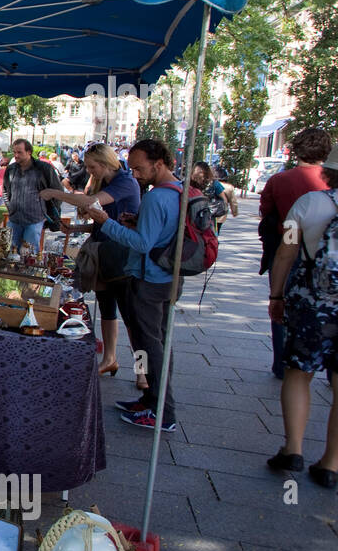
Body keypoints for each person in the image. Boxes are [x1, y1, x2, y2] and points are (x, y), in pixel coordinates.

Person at [85, 139, 184, 432]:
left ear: (160, 163)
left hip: (150, 279)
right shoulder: (176, 192)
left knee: (150, 345)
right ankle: (150, 398)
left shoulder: (156, 197)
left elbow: (142, 244)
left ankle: (162, 410)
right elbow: (156, 235)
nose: (136, 175)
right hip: (165, 278)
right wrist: (134, 223)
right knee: (149, 342)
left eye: (140, 169)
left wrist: (107, 221)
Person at [266, 143, 338, 489]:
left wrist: (276, 295)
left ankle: (293, 448)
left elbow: (286, 252)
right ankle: (330, 463)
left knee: (299, 372)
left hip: (313, 304)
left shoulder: (310, 204)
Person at [41, 143, 142, 381]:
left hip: (123, 257)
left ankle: (143, 372)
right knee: (107, 310)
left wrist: (55, 192)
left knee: (133, 319)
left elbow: (90, 203)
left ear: (106, 163)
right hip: (105, 255)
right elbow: (103, 220)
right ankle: (109, 359)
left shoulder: (125, 182)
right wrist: (78, 227)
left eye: (92, 166)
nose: (89, 171)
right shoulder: (107, 182)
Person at [261, 127, 331, 379]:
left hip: (289, 246)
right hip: (330, 259)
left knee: (282, 310)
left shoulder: (279, 180)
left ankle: (284, 364)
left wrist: (275, 295)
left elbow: (266, 210)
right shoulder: (331, 181)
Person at [3, 139, 61, 253]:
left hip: (34, 220)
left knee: (29, 256)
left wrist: (49, 213)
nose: (16, 155)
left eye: (19, 152)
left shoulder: (43, 168)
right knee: (10, 254)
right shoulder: (11, 169)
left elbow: (57, 192)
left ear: (29, 152)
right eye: (14, 152)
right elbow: (5, 190)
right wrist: (10, 208)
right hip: (14, 219)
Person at [191, 161, 237, 234]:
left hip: (191, 216)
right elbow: (223, 200)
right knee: (209, 238)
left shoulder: (188, 183)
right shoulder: (214, 183)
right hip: (208, 218)